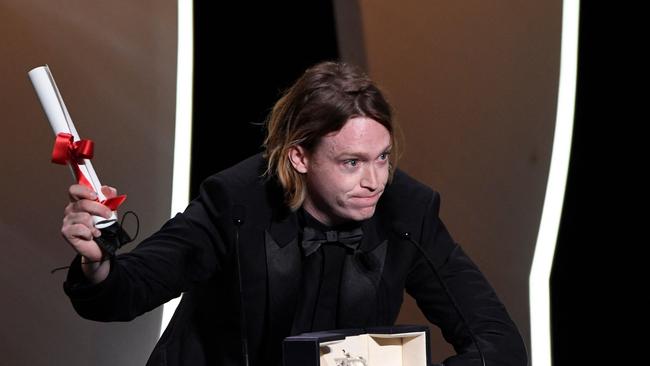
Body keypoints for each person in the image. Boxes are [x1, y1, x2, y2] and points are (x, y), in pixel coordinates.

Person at [61, 61, 527, 366]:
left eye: (382, 157)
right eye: (351, 163)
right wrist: (97, 262)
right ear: (299, 157)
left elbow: (496, 341)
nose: (375, 181)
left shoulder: (407, 208)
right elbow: (129, 292)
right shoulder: (235, 201)